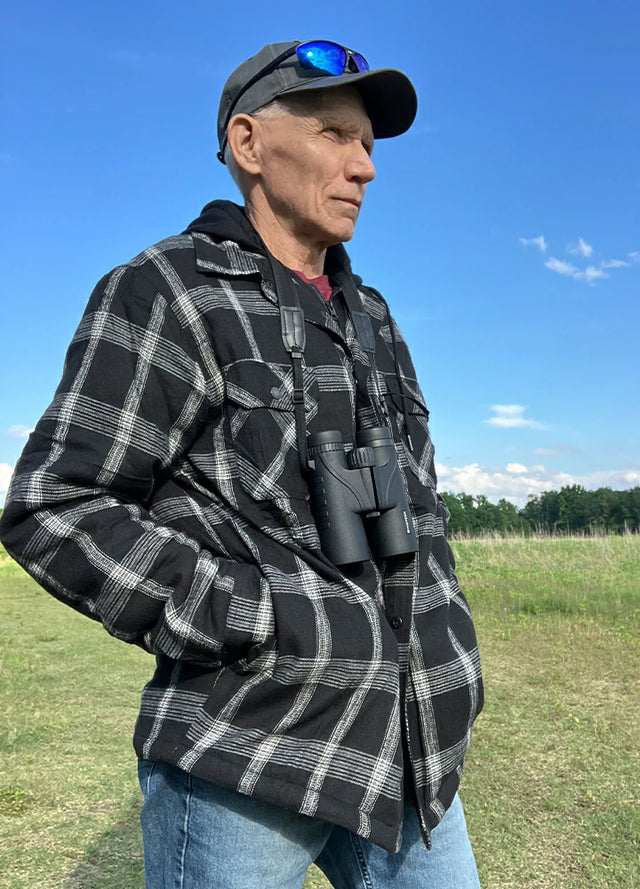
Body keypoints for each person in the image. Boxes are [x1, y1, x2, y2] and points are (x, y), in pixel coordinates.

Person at [0, 40, 484, 888]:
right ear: (249, 144)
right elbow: (54, 503)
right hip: (250, 748)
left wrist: (451, 634)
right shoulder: (171, 289)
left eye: (368, 144)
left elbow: (423, 506)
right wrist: (252, 620)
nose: (364, 166)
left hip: (415, 744)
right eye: (336, 133)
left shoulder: (373, 316)